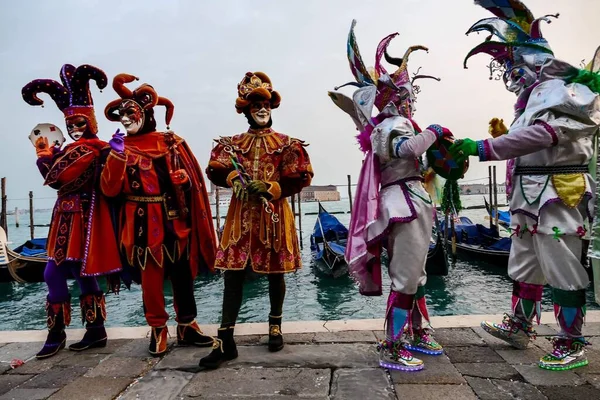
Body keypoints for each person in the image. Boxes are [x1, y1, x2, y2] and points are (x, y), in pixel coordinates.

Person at [450, 0, 600, 371]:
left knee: (564, 265)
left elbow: (546, 135)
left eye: (511, 63)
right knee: (524, 263)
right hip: (528, 195)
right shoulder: (531, 99)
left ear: (533, 61)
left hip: (558, 195)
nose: (509, 71)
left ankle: (571, 341)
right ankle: (520, 326)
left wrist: (484, 147)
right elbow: (529, 138)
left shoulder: (562, 91)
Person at [333, 21, 451, 371]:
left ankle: (418, 331)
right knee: (406, 275)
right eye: (408, 94)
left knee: (416, 273)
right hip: (404, 204)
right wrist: (435, 131)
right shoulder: (392, 126)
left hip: (412, 200)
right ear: (397, 98)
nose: (412, 99)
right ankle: (393, 345)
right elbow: (407, 149)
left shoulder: (392, 124)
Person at [199, 71, 313, 369]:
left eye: (265, 104)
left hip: (274, 217)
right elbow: (215, 169)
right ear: (246, 110)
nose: (261, 109)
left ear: (272, 107)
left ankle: (275, 326)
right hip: (241, 217)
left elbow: (299, 176)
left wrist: (272, 188)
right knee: (232, 273)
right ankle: (225, 339)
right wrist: (234, 176)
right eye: (254, 105)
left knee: (276, 272)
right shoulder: (232, 144)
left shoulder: (287, 144)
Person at [101, 74, 217, 356]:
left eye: (131, 113)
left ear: (146, 113)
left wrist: (185, 180)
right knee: (151, 279)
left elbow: (194, 181)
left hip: (175, 219)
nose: (125, 119)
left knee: (182, 275)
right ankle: (158, 328)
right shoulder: (118, 147)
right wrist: (115, 157)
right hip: (139, 223)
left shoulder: (171, 141)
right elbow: (109, 189)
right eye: (121, 115)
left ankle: (187, 324)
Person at [22, 64, 122, 359]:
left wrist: (42, 158)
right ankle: (91, 331)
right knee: (72, 272)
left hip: (85, 218)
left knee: (63, 272)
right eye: (70, 126)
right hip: (65, 217)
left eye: (79, 124)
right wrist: (50, 156)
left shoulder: (93, 148)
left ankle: (69, 333)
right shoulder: (70, 150)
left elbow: (57, 177)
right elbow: (59, 178)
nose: (74, 130)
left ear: (90, 122)